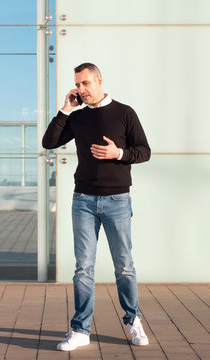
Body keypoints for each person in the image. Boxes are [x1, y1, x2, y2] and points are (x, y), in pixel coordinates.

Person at [42, 63, 151, 351]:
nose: (81, 90)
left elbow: (144, 151)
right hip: (84, 202)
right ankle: (80, 330)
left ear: (99, 80)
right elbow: (49, 142)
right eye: (77, 85)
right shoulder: (77, 119)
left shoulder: (125, 113)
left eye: (86, 83)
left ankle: (133, 321)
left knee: (124, 266)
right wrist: (65, 111)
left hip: (117, 200)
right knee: (83, 269)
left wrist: (119, 153)